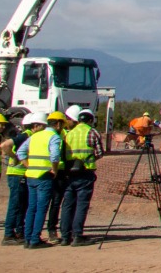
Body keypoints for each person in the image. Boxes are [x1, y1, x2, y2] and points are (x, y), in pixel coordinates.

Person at [17, 112, 60, 249]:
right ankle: (35, 239)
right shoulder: (53, 137)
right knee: (41, 209)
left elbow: (20, 153)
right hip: (44, 176)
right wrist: (54, 169)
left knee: (31, 208)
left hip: (31, 176)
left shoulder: (33, 137)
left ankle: (28, 238)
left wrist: (28, 165)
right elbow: (55, 156)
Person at [57, 106, 99, 247]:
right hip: (85, 173)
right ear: (90, 120)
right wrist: (88, 159)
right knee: (81, 205)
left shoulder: (69, 134)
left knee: (67, 205)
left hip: (69, 173)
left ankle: (64, 236)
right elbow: (99, 152)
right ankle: (77, 235)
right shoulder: (92, 132)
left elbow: (62, 152)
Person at [43, 111, 70, 239]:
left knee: (48, 202)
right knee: (54, 202)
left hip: (43, 172)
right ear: (58, 124)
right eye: (62, 124)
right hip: (55, 172)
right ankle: (51, 229)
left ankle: (45, 230)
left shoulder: (39, 135)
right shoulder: (56, 136)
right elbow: (55, 155)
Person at [0, 116, 27, 244]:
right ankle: (9, 234)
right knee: (15, 205)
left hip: (20, 174)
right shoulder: (25, 136)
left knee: (21, 205)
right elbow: (4, 146)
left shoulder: (25, 136)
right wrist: (16, 158)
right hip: (17, 174)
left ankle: (18, 232)